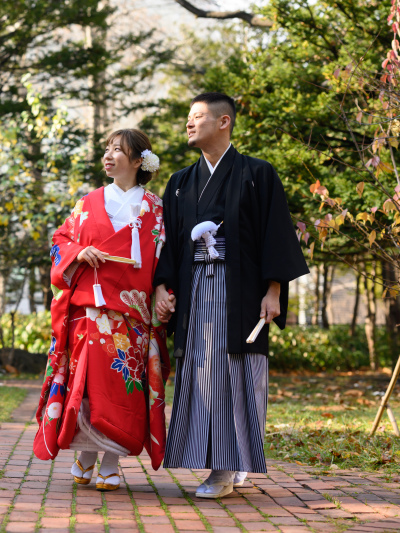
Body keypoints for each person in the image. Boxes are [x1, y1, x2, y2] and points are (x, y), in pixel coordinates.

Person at [153, 92, 309, 498]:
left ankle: (225, 469)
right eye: (188, 117)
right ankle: (224, 464)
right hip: (196, 291)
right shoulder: (180, 183)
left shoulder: (257, 174)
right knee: (202, 375)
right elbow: (167, 245)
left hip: (240, 292)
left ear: (224, 122)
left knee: (236, 375)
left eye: (198, 116)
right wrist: (160, 288)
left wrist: (274, 289)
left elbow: (275, 234)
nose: (189, 123)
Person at [33, 129, 171, 492]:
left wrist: (162, 290)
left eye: (118, 151)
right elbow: (60, 240)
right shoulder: (88, 202)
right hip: (89, 311)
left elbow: (166, 260)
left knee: (124, 389)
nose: (108, 156)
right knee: (88, 388)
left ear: (139, 161)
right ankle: (88, 455)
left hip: (132, 315)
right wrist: (78, 251)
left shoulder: (155, 209)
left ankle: (109, 460)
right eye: (107, 150)